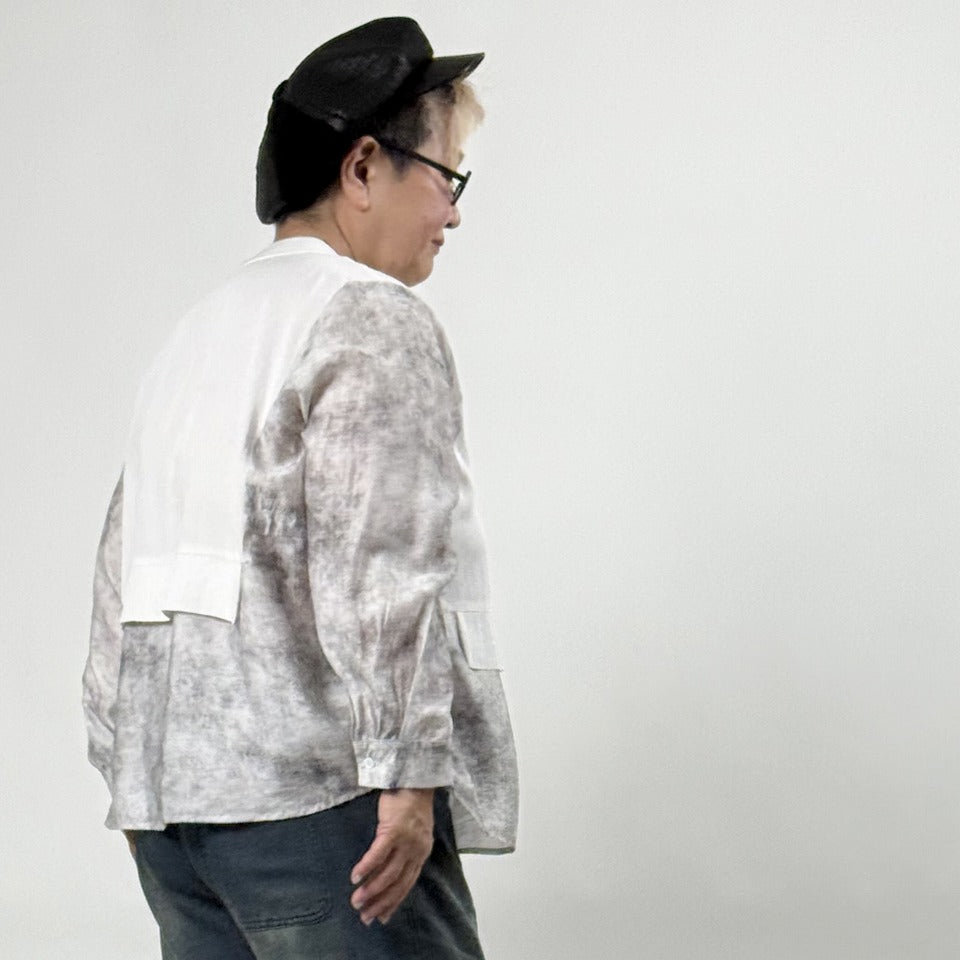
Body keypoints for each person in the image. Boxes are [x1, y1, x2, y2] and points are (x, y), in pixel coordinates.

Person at [82, 17, 518, 960]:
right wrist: (409, 772)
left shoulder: (199, 332)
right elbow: (384, 565)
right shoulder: (368, 317)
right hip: (327, 813)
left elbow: (122, 573)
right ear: (363, 167)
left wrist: (128, 772)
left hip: (176, 825)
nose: (452, 213)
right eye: (446, 176)